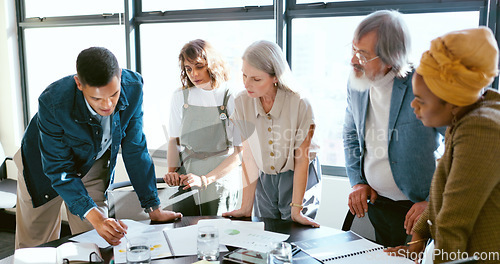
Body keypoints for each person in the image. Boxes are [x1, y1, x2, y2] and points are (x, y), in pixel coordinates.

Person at [15, 47, 182, 249]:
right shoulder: (53, 102)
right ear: (79, 84)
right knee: (36, 247)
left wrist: (153, 206)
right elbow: (58, 168)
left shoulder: (133, 86)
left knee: (96, 239)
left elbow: (135, 148)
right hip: (42, 167)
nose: (108, 105)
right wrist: (94, 216)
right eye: (96, 99)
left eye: (114, 94)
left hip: (93, 162)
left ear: (120, 76)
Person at [386, 27, 500, 263]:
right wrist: (416, 241)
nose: (413, 107)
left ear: (452, 102)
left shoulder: (480, 129)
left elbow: (453, 221)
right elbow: (447, 191)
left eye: (421, 100)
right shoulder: (465, 114)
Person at [343, 10, 444, 247]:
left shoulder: (424, 84)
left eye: (363, 54)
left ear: (391, 57)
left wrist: (433, 201)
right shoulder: (355, 82)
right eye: (353, 49)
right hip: (377, 204)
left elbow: (457, 146)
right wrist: (357, 181)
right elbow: (350, 134)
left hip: (419, 209)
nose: (353, 60)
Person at [222, 40, 321, 227]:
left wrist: (296, 209)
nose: (246, 84)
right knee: (265, 232)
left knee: (294, 233)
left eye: (256, 79)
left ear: (276, 76)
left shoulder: (300, 103)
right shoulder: (242, 102)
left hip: (298, 173)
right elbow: (249, 156)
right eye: (244, 76)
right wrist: (245, 207)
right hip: (264, 175)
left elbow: (301, 158)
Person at [163, 39, 242, 216]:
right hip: (188, 177)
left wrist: (206, 179)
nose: (193, 74)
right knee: (184, 232)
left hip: (220, 178)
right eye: (188, 69)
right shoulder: (180, 96)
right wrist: (172, 172)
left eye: (199, 66)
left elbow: (239, 153)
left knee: (218, 234)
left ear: (212, 64)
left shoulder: (230, 96)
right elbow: (173, 140)